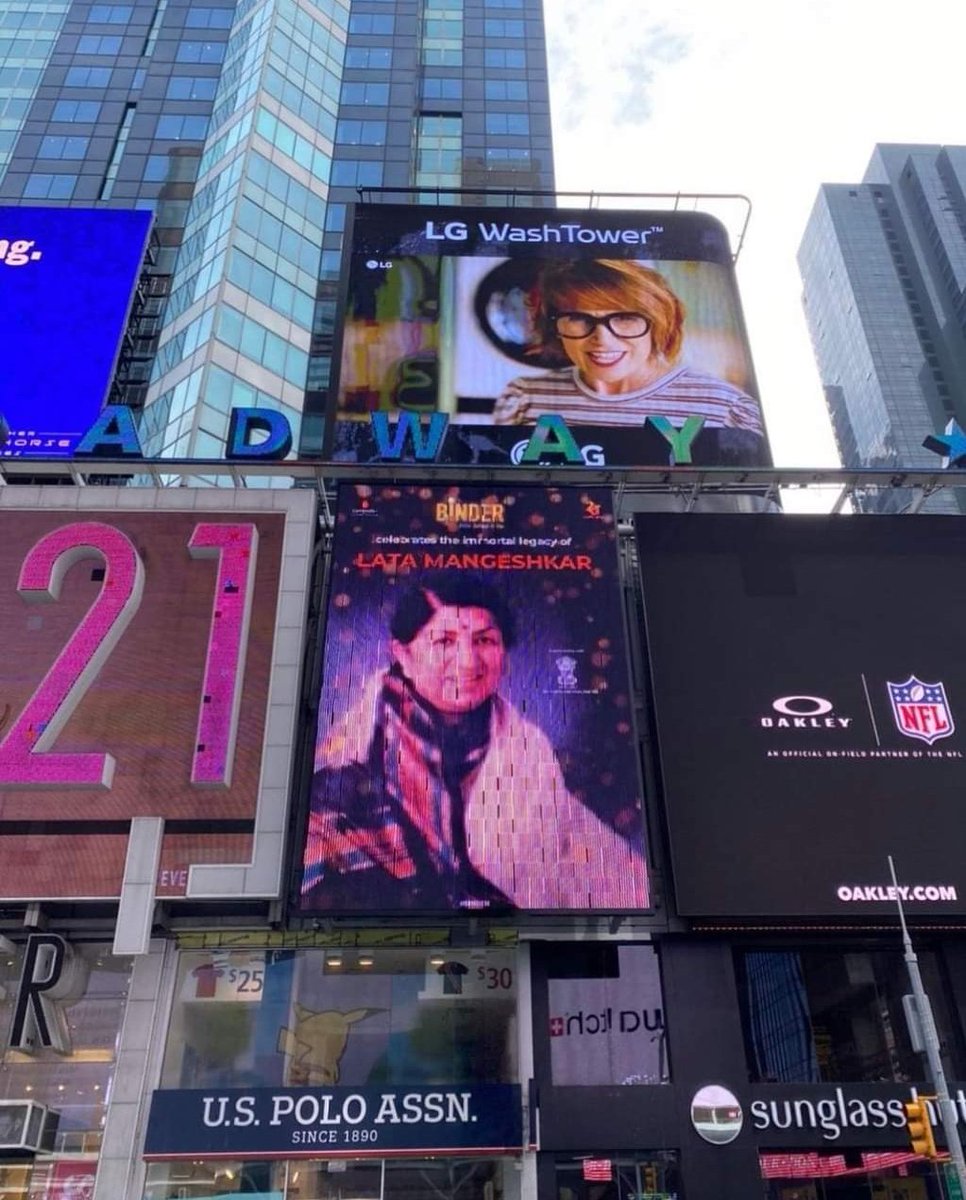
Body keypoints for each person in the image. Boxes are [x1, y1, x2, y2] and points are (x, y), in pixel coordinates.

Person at [301, 572, 648, 911]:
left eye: (484, 641)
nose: (468, 662)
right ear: (403, 655)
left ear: (504, 656)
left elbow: (611, 880)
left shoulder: (530, 760)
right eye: (444, 641)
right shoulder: (344, 770)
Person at [492, 258, 765, 438]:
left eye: (624, 317)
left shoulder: (729, 409)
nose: (602, 339)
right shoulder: (524, 398)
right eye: (578, 317)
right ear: (555, 326)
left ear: (659, 321)